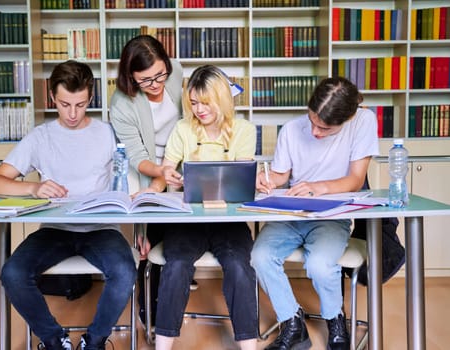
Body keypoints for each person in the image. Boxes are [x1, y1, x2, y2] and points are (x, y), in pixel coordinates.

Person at [0, 60, 137, 350]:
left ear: (90, 97)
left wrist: (140, 231)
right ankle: (55, 342)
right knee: (12, 273)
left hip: (101, 229)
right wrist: (33, 187)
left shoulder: (107, 133)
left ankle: (93, 343)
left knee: (125, 272)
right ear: (52, 96)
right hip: (55, 229)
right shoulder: (40, 137)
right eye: (64, 104)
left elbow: (131, 182)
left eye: (80, 105)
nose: (72, 113)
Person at [251, 76, 379, 350]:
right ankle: (292, 322)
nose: (315, 132)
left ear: (347, 118)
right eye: (312, 120)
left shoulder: (363, 122)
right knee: (259, 256)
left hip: (332, 215)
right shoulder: (291, 129)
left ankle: (335, 320)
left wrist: (318, 187)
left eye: (325, 128)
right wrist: (266, 181)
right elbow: (280, 175)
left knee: (320, 264)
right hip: (291, 215)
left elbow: (356, 179)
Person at [152, 65, 259, 350]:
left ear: (222, 99)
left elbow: (241, 180)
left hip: (229, 219)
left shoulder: (244, 130)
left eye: (205, 102)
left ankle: (249, 345)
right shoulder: (183, 129)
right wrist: (168, 174)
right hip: (188, 219)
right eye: (194, 102)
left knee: (238, 265)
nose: (199, 109)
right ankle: (163, 345)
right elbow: (166, 169)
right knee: (175, 266)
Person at [109, 34, 187, 328]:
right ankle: (150, 310)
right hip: (149, 165)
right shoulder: (121, 103)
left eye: (160, 75)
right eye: (146, 81)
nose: (156, 85)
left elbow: (189, 114)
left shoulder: (175, 71)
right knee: (152, 235)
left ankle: (178, 281)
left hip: (182, 155)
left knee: (185, 230)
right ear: (131, 77)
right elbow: (137, 156)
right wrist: (160, 174)